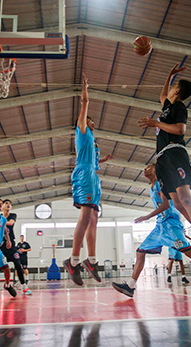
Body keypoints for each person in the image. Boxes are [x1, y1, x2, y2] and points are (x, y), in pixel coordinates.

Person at [137, 64, 191, 275]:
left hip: (174, 152)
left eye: (173, 86)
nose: (168, 90)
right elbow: (162, 95)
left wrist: (153, 123)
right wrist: (169, 74)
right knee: (177, 203)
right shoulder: (167, 107)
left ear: (177, 91)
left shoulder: (179, 108)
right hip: (162, 159)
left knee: (186, 199)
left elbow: (180, 129)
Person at [112, 164, 191, 300]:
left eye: (149, 167)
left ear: (156, 170)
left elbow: (166, 205)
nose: (145, 169)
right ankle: (131, 286)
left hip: (172, 225)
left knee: (189, 252)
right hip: (160, 226)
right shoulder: (152, 187)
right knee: (140, 251)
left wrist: (147, 216)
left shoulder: (162, 183)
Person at [63, 73, 114, 286]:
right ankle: (73, 260)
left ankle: (91, 260)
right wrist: (85, 89)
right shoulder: (82, 130)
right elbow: (84, 102)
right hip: (84, 174)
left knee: (94, 218)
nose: (92, 121)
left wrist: (102, 159)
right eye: (89, 119)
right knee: (85, 217)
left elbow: (92, 160)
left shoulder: (93, 141)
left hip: (93, 175)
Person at [0, 199, 31, 296]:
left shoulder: (12, 216)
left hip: (10, 244)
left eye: (10, 204)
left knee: (17, 264)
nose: (8, 205)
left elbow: (10, 223)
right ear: (1, 207)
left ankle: (24, 286)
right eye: (6, 203)